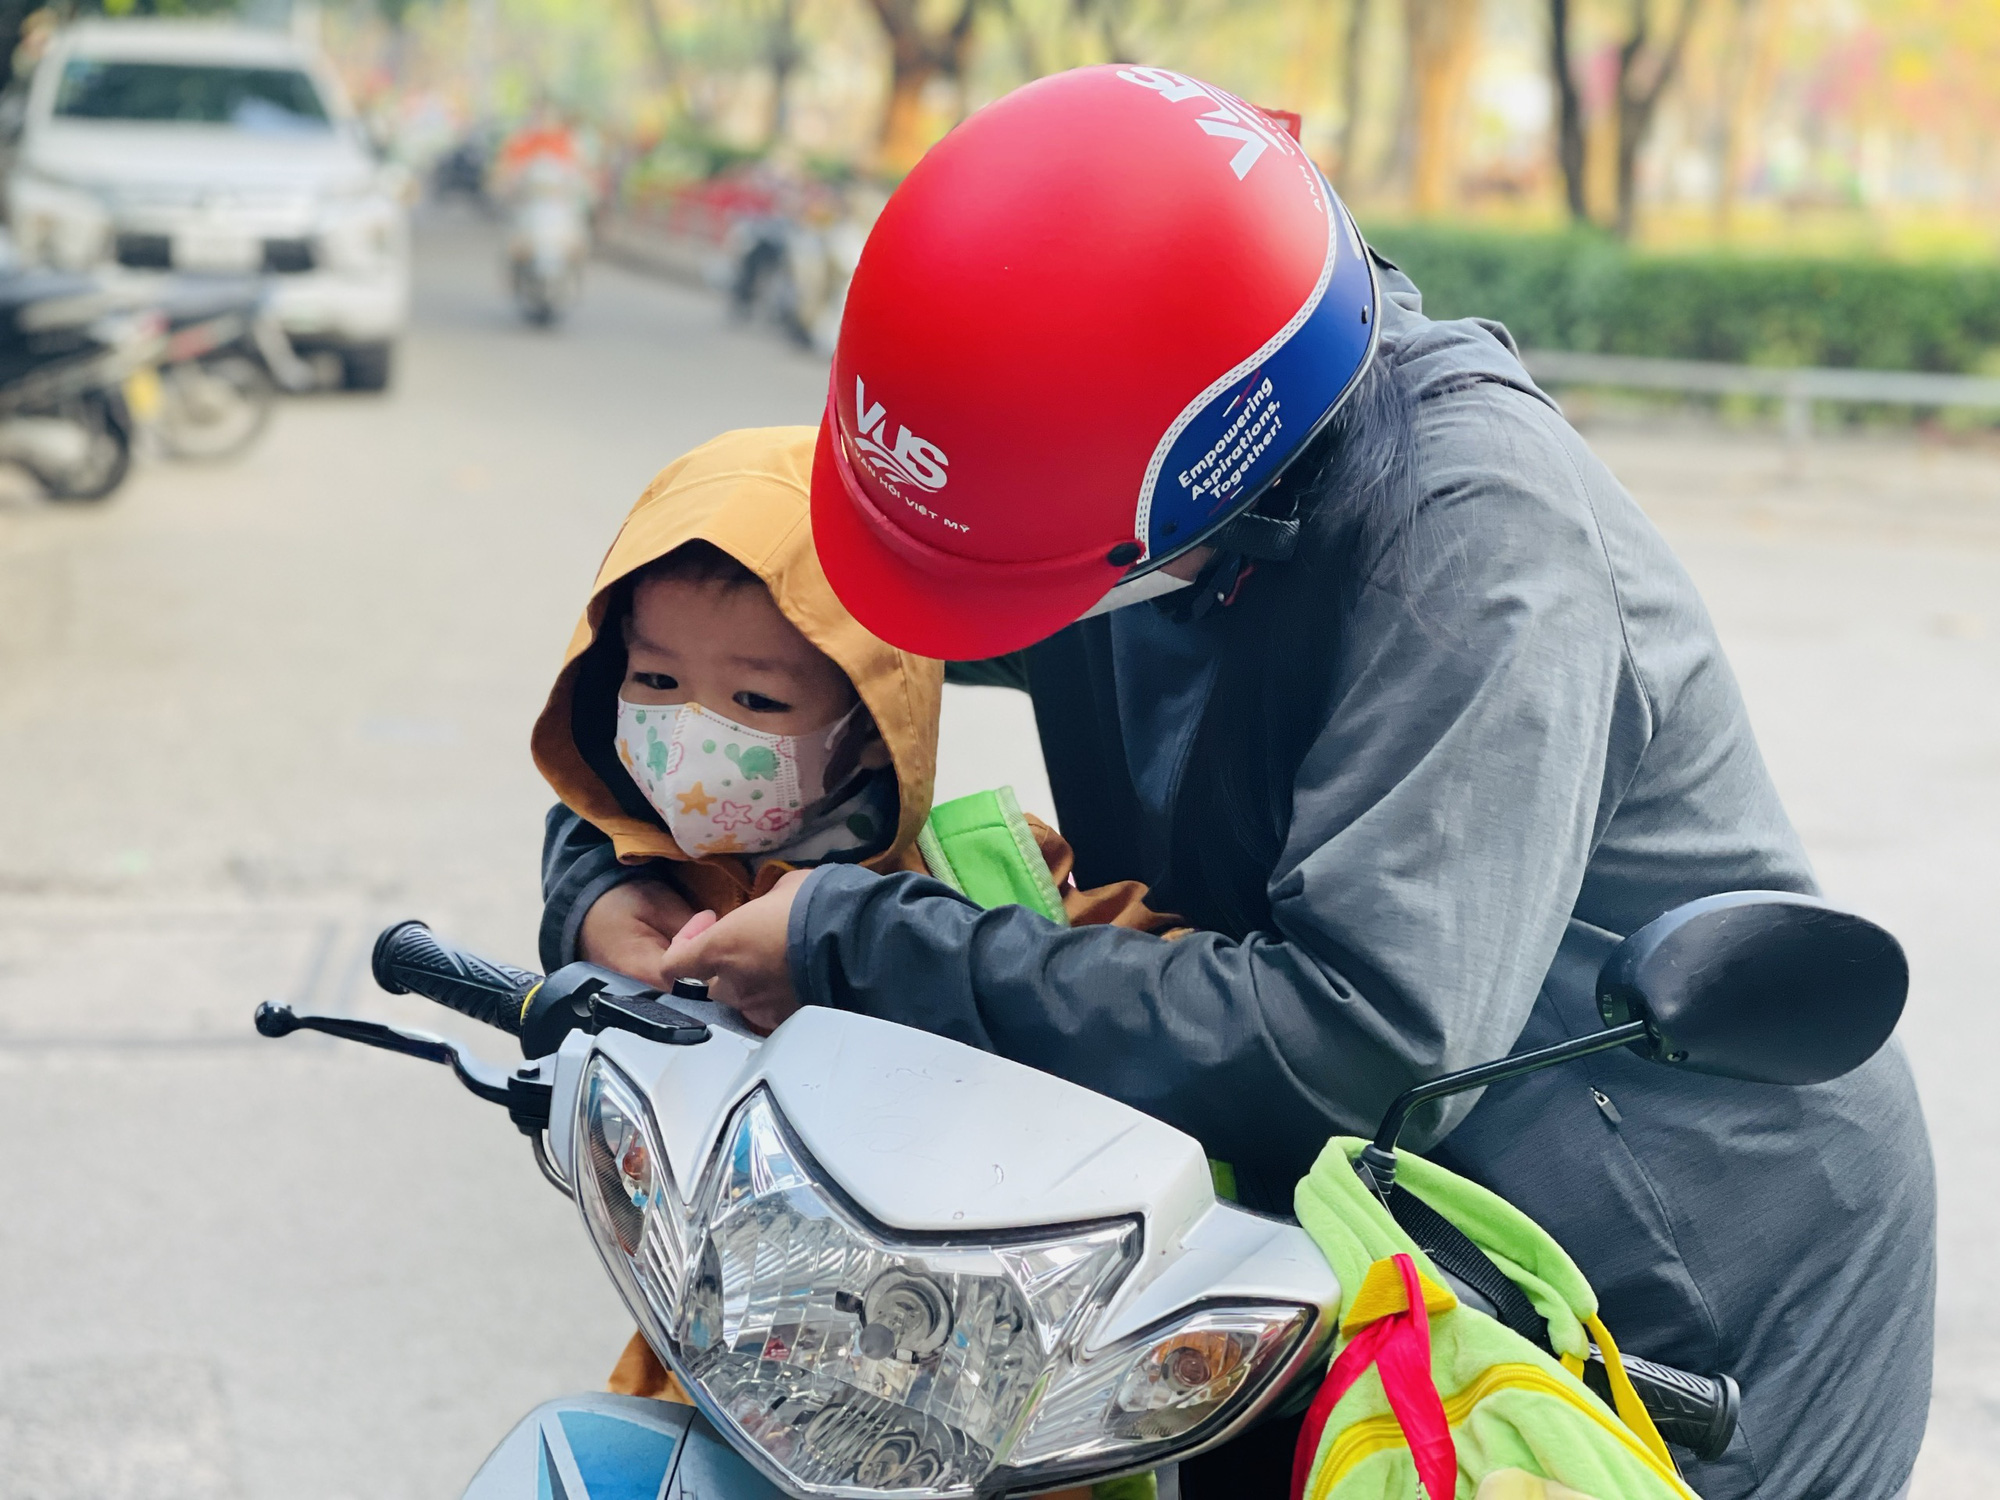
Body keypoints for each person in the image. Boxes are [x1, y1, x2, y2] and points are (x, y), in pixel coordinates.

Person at [547, 72, 1934, 1500]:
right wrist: (615, 879)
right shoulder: (1066, 465)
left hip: (1646, 1281)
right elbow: (730, 648)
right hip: (1307, 1231)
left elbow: (1357, 1043)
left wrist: (860, 941)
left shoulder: (1472, 551)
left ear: (1225, 491)